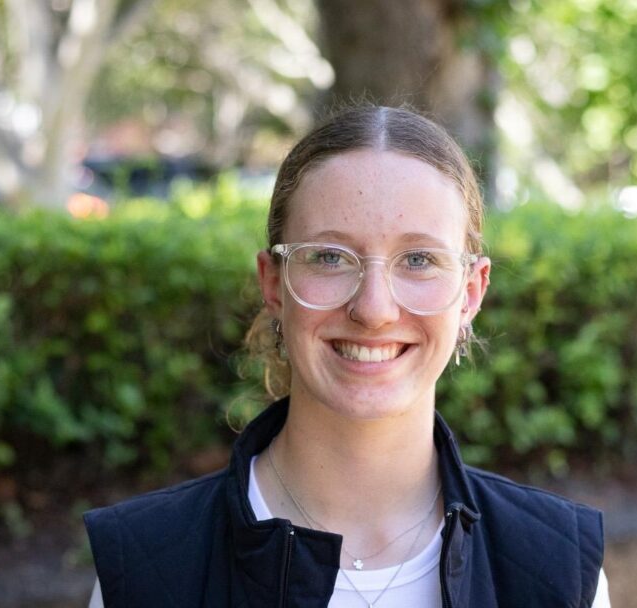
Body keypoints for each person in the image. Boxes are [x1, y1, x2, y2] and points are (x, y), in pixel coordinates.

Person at [84, 105, 610, 607]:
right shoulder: (143, 570)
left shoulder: (558, 571)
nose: (374, 309)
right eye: (330, 257)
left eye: (420, 259)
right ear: (274, 284)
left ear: (471, 292)